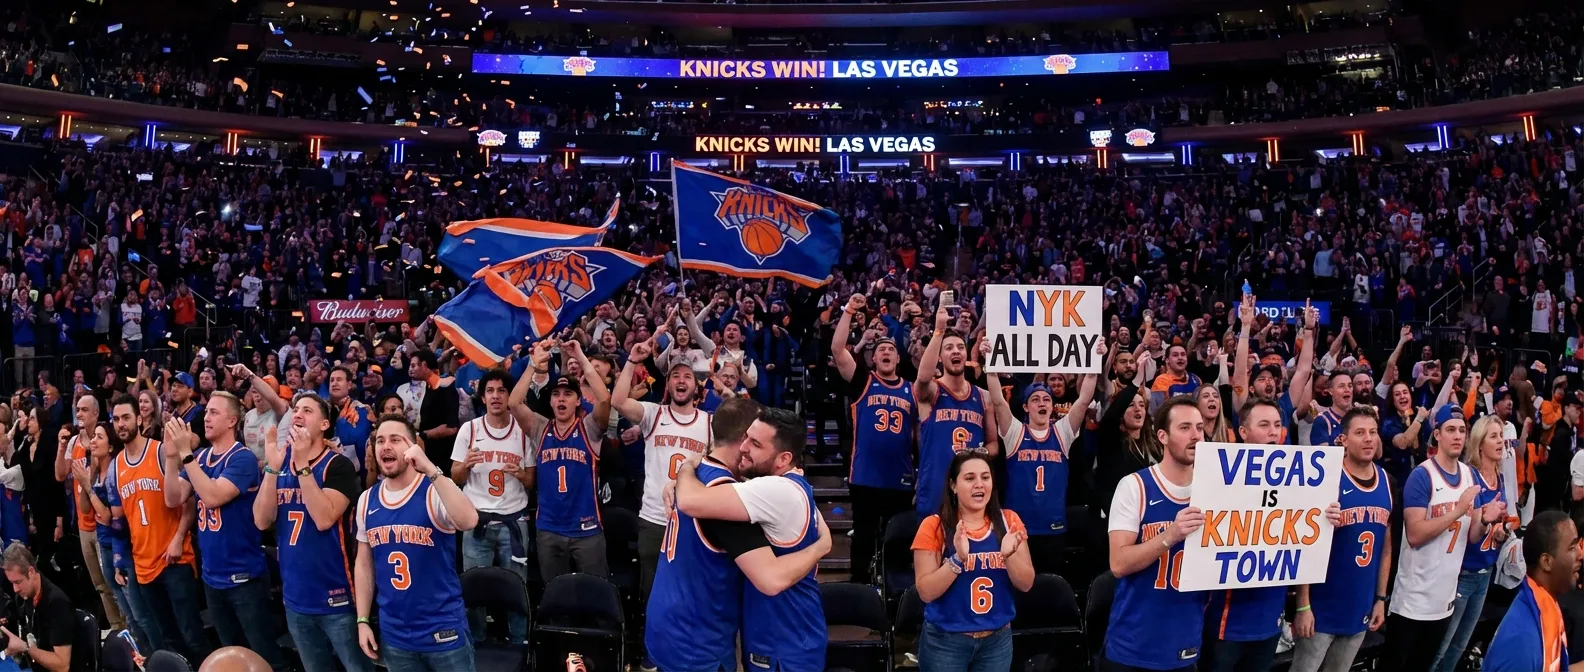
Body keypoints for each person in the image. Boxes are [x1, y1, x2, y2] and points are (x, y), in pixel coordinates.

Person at [645, 397, 831, 672]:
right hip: (698, 640)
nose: (746, 448)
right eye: (748, 439)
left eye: (755, 443)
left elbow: (770, 578)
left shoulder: (702, 481)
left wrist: (686, 466)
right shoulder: (720, 496)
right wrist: (822, 545)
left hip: (670, 625)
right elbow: (770, 578)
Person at [1205, 399, 1342, 672]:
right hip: (1226, 622)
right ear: (1243, 433)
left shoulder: (1299, 483)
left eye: (1278, 425)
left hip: (1270, 621)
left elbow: (1303, 549)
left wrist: (1322, 522)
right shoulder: (1219, 479)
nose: (1273, 432)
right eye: (1264, 425)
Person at [160, 393, 288, 671]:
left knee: (263, 656)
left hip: (244, 578)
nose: (206, 418)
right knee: (232, 656)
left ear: (232, 420)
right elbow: (172, 499)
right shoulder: (202, 456)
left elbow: (213, 496)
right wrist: (172, 457)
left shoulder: (242, 459)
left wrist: (185, 455)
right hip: (212, 578)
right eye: (206, 413)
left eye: (214, 413)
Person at [252, 394, 371, 672]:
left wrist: (303, 465)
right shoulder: (281, 466)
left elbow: (324, 518)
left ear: (324, 424)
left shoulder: (337, 465)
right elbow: (260, 520)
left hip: (335, 596)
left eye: (307, 410)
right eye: (295, 410)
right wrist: (271, 467)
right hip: (295, 597)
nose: (297, 415)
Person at [355, 414, 481, 672]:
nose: (386, 446)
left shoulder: (434, 489)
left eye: (395, 440)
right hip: (395, 635)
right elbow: (364, 564)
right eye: (380, 441)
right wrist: (363, 619)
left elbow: (469, 520)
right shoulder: (367, 500)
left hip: (442, 631)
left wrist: (432, 470)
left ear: (413, 447)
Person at [1388, 405, 1502, 672]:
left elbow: (1472, 536)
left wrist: (1484, 520)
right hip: (1413, 601)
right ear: (1437, 434)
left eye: (1462, 430)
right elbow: (1415, 535)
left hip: (1445, 599)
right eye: (1450, 430)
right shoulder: (1422, 476)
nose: (1458, 436)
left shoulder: (1467, 474)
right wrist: (1459, 510)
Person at [101, 394, 209, 662]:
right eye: (116, 419)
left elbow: (189, 500)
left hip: (175, 558)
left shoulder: (161, 451)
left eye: (126, 417)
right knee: (168, 639)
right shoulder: (115, 468)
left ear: (139, 418)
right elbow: (119, 521)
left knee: (192, 635)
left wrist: (179, 537)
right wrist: (119, 559)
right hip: (143, 565)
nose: (121, 424)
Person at [1105, 396, 1207, 672]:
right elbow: (1118, 564)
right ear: (1162, 435)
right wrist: (1170, 535)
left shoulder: (1216, 488)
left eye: (1199, 427)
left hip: (1187, 639)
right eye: (1185, 428)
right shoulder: (1134, 486)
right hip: (1135, 643)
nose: (1196, 436)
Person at [910, 450, 1034, 670]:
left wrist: (1008, 556)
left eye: (985, 477)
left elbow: (1026, 583)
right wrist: (957, 560)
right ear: (953, 486)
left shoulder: (1009, 521)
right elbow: (926, 592)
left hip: (997, 641)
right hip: (946, 642)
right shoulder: (934, 526)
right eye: (969, 478)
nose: (979, 484)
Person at [610, 339, 711, 605]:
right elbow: (618, 400)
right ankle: (651, 643)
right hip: (654, 518)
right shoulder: (654, 414)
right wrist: (632, 361)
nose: (681, 380)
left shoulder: (710, 423)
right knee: (652, 593)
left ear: (696, 386)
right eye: (675, 375)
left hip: (691, 519)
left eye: (687, 376)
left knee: (689, 591)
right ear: (667, 385)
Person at [1291, 408, 1393, 672]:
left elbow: (1385, 548)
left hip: (1360, 607)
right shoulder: (1326, 479)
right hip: (1321, 609)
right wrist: (1302, 604)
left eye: (1373, 432)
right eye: (1360, 433)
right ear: (1343, 440)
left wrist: (1380, 599)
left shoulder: (1386, 481)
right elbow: (1305, 544)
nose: (1368, 439)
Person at [984, 342, 1099, 576]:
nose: (1042, 403)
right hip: (1017, 528)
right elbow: (997, 401)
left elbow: (1084, 399)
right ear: (1026, 407)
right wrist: (991, 367)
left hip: (1053, 527)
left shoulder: (1063, 432)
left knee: (1048, 589)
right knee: (1018, 589)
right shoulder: (1015, 432)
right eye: (1036, 399)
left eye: (1046, 399)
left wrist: (1093, 364)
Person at [831, 293, 917, 585]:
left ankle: (897, 590)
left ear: (897, 357)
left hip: (900, 477)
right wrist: (848, 311)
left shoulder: (912, 389)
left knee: (899, 539)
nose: (885, 353)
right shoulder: (863, 381)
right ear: (873, 357)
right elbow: (837, 348)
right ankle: (859, 591)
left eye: (890, 350)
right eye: (880, 349)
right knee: (864, 536)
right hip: (866, 476)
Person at [510, 340, 609, 581]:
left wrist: (580, 357)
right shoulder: (540, 428)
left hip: (586, 530)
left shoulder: (589, 428)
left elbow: (605, 400)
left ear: (578, 401)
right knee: (555, 597)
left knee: (595, 597)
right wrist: (533, 363)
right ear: (551, 401)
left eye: (568, 394)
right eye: (556, 394)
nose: (561, 399)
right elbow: (513, 403)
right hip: (549, 529)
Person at [450, 364, 535, 643]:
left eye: (502, 390)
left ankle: (521, 642)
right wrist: (465, 465)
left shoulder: (523, 431)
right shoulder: (469, 430)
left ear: (510, 396)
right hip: (478, 522)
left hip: (514, 521)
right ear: (482, 397)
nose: (496, 396)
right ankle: (475, 644)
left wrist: (521, 474)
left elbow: (532, 481)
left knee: (518, 589)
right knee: (474, 591)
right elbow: (455, 476)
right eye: (490, 391)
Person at [1429, 413, 1511, 672]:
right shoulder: (1470, 477)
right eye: (1494, 436)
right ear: (1479, 442)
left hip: (1485, 571)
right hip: (1463, 571)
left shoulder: (1500, 477)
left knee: (1459, 645)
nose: (1501, 442)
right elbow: (1470, 531)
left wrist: (1501, 532)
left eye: (1502, 436)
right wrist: (1485, 522)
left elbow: (1494, 526)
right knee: (1441, 646)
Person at [913, 303, 997, 515]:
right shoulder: (932, 391)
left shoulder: (983, 396)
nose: (956, 351)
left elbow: (994, 443)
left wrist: (981, 452)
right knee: (931, 548)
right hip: (935, 487)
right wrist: (939, 330)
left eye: (960, 347)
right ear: (939, 358)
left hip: (970, 489)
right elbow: (922, 378)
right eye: (948, 348)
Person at [67, 424, 145, 650]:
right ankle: (124, 643)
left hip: (120, 545)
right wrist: (85, 482)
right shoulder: (94, 470)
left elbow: (107, 515)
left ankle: (143, 649)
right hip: (103, 542)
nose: (93, 441)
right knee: (112, 594)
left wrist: (90, 492)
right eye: (93, 437)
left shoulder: (115, 471)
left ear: (111, 446)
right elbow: (84, 508)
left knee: (133, 607)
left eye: (99, 437)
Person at [54, 395, 125, 633]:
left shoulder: (106, 442)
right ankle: (116, 628)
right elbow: (60, 475)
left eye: (85, 410)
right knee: (100, 585)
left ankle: (128, 627)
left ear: (96, 413)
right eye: (77, 410)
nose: (80, 414)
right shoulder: (74, 441)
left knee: (115, 583)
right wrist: (62, 446)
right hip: (84, 525)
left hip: (104, 525)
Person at [1484, 509, 1577, 671]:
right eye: (1572, 547)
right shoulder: (1522, 644)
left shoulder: (1544, 603)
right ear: (1546, 561)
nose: (1581, 554)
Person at [0, 544, 73, 672]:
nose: (15, 589)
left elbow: (62, 665)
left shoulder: (57, 603)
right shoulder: (24, 596)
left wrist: (25, 648)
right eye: (12, 583)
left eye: (18, 582)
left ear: (31, 572)